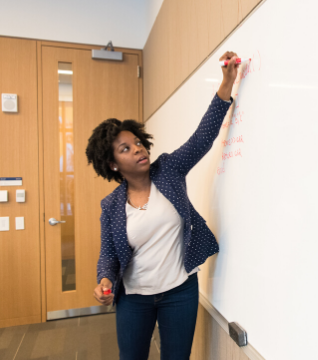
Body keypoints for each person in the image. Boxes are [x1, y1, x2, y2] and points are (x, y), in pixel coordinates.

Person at [85, 51, 240, 360]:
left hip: (180, 291)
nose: (138, 149)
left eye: (138, 143)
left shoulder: (168, 170)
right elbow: (109, 253)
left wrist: (227, 83)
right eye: (125, 149)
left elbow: (201, 139)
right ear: (113, 164)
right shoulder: (111, 205)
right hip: (134, 298)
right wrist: (104, 279)